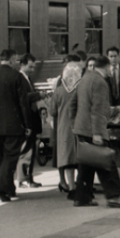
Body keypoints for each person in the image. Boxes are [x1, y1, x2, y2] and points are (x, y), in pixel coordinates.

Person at [72, 55, 120, 208]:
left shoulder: (84, 79)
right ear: (106, 67)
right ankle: (114, 196)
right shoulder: (100, 82)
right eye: (110, 67)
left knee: (86, 164)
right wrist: (97, 133)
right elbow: (97, 109)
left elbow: (75, 103)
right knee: (105, 162)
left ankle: (82, 197)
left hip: (82, 128)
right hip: (93, 129)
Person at [0, 49, 33, 202]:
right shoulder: (16, 76)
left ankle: (10, 188)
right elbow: (23, 103)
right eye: (16, 60)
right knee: (10, 158)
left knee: (4, 158)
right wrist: (27, 124)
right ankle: (1, 189)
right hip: (14, 124)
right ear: (12, 60)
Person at [51, 60, 82, 200]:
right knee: (80, 158)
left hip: (63, 129)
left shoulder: (58, 91)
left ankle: (71, 187)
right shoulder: (81, 89)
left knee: (68, 159)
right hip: (80, 127)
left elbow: (52, 111)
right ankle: (81, 185)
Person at [16, 53, 43, 189]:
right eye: (30, 67)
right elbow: (23, 97)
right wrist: (39, 94)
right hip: (27, 119)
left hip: (31, 118)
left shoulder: (27, 78)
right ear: (22, 65)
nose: (32, 70)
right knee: (26, 149)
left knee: (30, 149)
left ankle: (28, 178)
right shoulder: (20, 78)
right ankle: (23, 178)